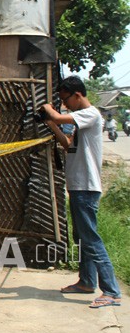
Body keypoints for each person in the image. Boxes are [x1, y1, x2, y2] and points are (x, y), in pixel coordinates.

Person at [40, 76, 122, 308]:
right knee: (83, 239)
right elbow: (68, 145)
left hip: (86, 187)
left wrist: (48, 109)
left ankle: (111, 291)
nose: (65, 105)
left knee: (91, 240)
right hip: (78, 187)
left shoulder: (91, 114)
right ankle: (87, 281)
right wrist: (51, 124)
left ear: (77, 95)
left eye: (66, 100)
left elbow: (57, 114)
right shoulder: (81, 121)